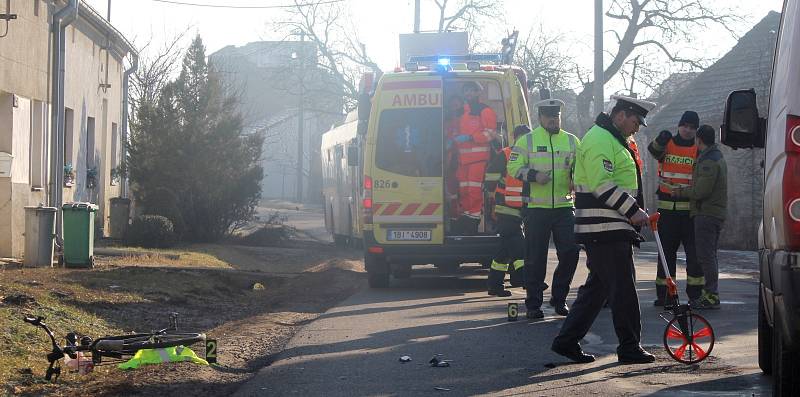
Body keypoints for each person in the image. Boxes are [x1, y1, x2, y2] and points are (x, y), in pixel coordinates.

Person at [551, 95, 656, 365]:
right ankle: (630, 346)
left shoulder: (614, 139)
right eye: (635, 121)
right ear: (620, 115)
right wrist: (634, 212)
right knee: (623, 290)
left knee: (597, 290)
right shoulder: (600, 139)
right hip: (605, 227)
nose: (636, 128)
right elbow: (602, 184)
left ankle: (567, 341)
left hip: (608, 226)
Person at [507, 99, 580, 319]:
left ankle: (559, 299)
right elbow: (512, 167)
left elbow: (581, 167)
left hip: (565, 206)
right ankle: (533, 304)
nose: (553, 119)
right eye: (548, 116)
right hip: (536, 209)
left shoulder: (572, 140)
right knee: (534, 258)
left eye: (556, 116)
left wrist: (576, 179)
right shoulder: (527, 140)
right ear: (540, 118)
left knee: (570, 253)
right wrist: (533, 176)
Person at [647, 111, 704, 306]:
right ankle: (664, 295)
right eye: (685, 126)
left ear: (696, 130)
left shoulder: (699, 149)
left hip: (690, 212)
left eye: (692, 127)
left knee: (694, 256)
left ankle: (695, 295)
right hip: (667, 211)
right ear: (679, 125)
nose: (688, 130)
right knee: (666, 255)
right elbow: (653, 151)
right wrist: (661, 139)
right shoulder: (667, 143)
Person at [672, 124, 727, 310]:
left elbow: (702, 190)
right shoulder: (713, 156)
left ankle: (711, 295)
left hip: (706, 214)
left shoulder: (708, 161)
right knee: (709, 255)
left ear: (699, 140)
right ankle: (710, 293)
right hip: (712, 213)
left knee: (706, 256)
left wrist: (680, 192)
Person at [485, 125, 530, 296]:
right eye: (523, 137)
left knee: (503, 251)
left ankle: (494, 285)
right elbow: (490, 176)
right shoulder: (506, 153)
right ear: (516, 137)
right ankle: (524, 279)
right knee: (519, 244)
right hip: (506, 207)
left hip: (522, 208)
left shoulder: (531, 156)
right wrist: (493, 195)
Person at [453, 81, 498, 234]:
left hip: (478, 159)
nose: (468, 94)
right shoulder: (463, 112)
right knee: (464, 190)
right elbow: (456, 131)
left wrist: (471, 137)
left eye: (472, 91)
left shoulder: (485, 111)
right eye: (466, 91)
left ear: (478, 93)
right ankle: (466, 216)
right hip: (463, 160)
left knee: (473, 190)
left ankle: (473, 219)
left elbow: (490, 134)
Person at [445, 95, 465, 228]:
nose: (455, 108)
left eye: (457, 105)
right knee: (452, 195)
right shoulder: (446, 123)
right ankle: (454, 222)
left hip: (465, 162)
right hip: (450, 163)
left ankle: (463, 221)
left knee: (465, 194)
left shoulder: (466, 120)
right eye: (453, 105)